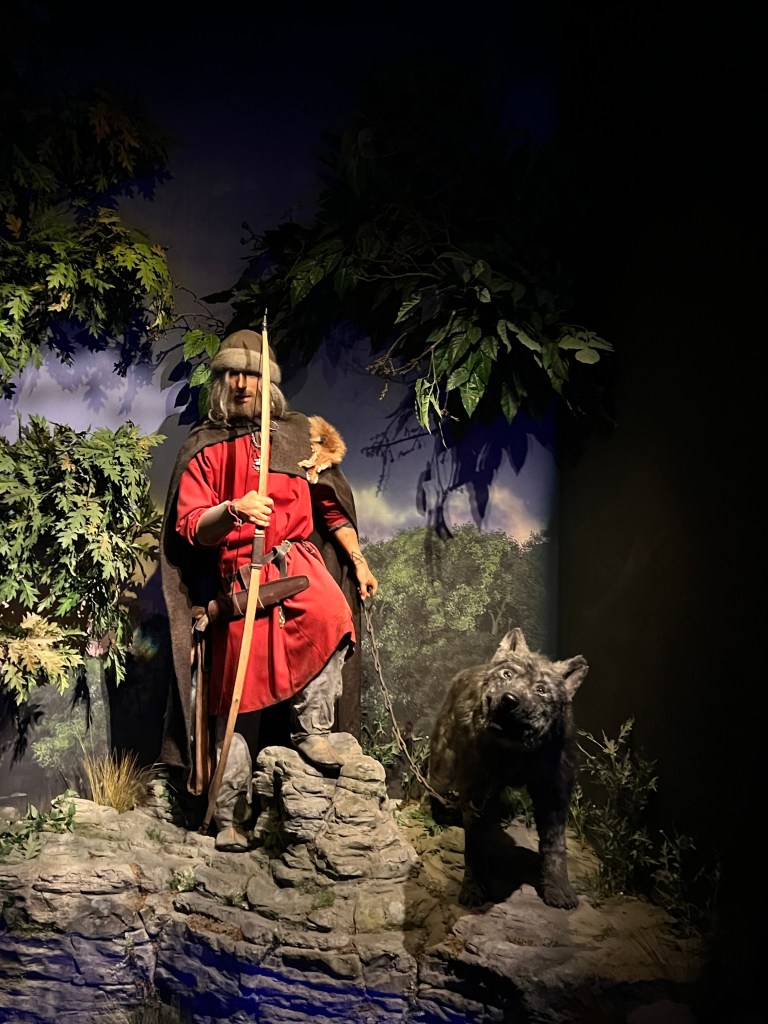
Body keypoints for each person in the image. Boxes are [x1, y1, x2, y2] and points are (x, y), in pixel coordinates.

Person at [158, 329, 378, 850]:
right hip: (241, 583)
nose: (241, 383)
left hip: (299, 568)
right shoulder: (205, 448)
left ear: (268, 384)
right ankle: (231, 814)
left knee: (332, 620)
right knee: (236, 698)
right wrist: (232, 510)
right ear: (219, 382)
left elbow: (329, 505)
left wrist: (358, 559)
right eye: (232, 374)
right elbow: (188, 526)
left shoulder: (301, 436)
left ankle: (314, 732)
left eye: (251, 374)